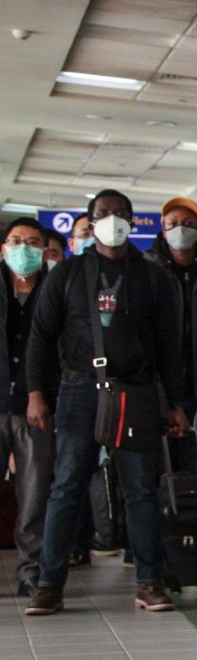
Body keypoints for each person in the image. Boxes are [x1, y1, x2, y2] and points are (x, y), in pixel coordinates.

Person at [24, 189, 188, 616]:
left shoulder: (152, 277)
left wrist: (175, 403)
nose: (111, 220)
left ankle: (149, 581)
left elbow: (170, 347)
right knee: (66, 487)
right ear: (90, 221)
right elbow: (41, 337)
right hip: (79, 389)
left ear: (133, 222)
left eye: (119, 214)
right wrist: (36, 393)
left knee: (140, 490)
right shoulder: (69, 274)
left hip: (136, 392)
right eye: (102, 214)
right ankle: (49, 584)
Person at [0, 218, 56, 597]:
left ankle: (30, 569)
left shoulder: (55, 288)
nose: (24, 248)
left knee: (34, 495)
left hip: (37, 409)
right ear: (3, 248)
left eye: (32, 242)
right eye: (16, 241)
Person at [145, 197, 197, 474]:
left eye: (187, 223)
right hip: (160, 375)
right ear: (162, 227)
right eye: (173, 223)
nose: (180, 229)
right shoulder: (146, 268)